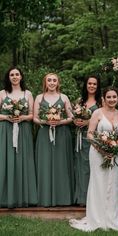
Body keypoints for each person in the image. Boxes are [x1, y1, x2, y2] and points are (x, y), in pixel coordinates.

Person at [69, 87, 118, 232]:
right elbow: (90, 134)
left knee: (112, 185)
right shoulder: (97, 113)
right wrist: (102, 149)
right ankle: (97, 218)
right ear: (104, 99)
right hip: (98, 153)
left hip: (115, 155)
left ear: (117, 98)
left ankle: (111, 218)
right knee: (98, 183)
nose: (112, 99)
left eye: (114, 97)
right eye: (109, 97)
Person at [33, 73, 74, 206]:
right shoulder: (39, 97)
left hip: (62, 134)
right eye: (49, 80)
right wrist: (46, 121)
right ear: (45, 82)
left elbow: (71, 117)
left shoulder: (64, 97)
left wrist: (59, 121)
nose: (51, 82)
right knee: (45, 164)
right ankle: (44, 198)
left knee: (61, 164)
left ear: (58, 82)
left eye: (54, 80)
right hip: (44, 134)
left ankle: (63, 198)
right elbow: (35, 118)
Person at [0, 67, 37, 208]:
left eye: (17, 74)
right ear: (8, 77)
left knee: (23, 161)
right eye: (12, 75)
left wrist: (21, 118)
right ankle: (5, 198)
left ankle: (24, 197)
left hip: (23, 131)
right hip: (5, 131)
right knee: (6, 161)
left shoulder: (28, 94)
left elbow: (32, 115)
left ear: (21, 77)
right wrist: (7, 117)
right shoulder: (2, 93)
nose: (14, 77)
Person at [73, 76, 101, 206]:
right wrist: (76, 121)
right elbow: (73, 117)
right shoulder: (79, 101)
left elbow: (104, 117)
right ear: (86, 85)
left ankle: (94, 199)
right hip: (80, 137)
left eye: (94, 84)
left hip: (94, 138)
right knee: (81, 167)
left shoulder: (101, 101)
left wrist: (88, 122)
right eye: (89, 83)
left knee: (93, 167)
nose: (92, 86)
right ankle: (82, 198)